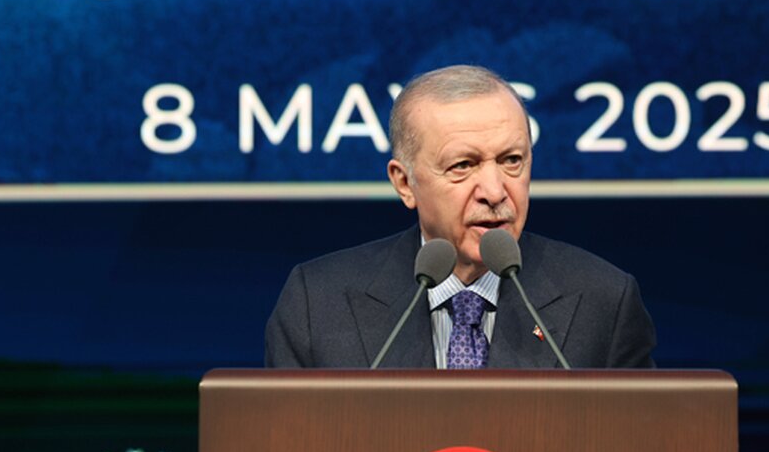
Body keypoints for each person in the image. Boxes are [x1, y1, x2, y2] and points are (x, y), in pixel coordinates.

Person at [264, 65, 656, 368]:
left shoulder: (603, 301)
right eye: (463, 165)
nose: (495, 192)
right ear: (405, 183)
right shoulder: (318, 304)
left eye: (512, 160)